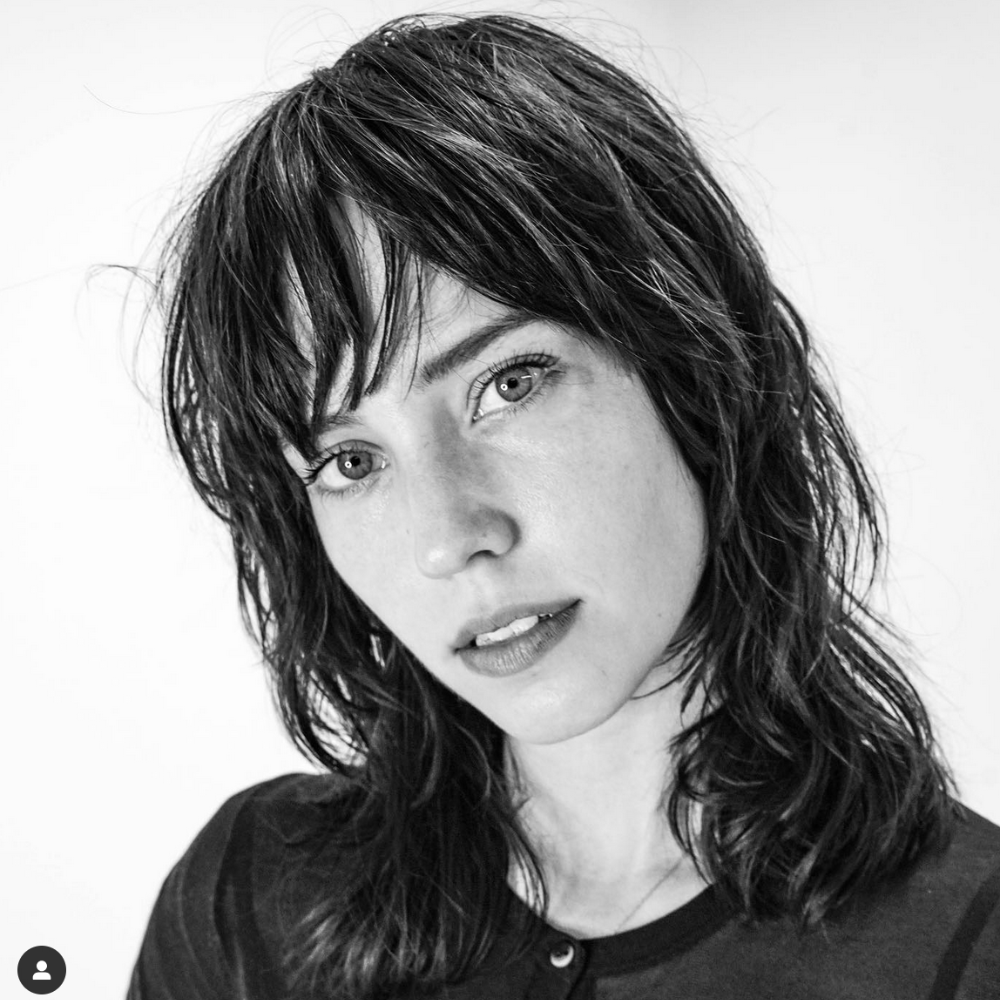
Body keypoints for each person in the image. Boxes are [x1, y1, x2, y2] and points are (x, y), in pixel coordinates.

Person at [127, 12, 1000, 1000]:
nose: (449, 538)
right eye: (350, 459)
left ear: (692, 366)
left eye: (508, 383)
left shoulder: (966, 946)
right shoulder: (248, 908)